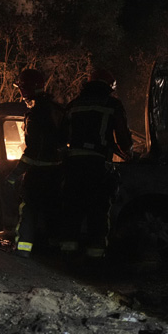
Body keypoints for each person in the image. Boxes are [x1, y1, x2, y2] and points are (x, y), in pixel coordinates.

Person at [59, 68, 133, 261]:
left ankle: (68, 252)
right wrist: (127, 151)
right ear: (109, 86)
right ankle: (95, 255)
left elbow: (62, 137)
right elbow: (123, 138)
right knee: (98, 209)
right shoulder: (112, 104)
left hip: (73, 165)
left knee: (72, 208)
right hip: (98, 165)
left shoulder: (74, 104)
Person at [7, 68, 66, 258]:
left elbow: (33, 151)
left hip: (38, 174)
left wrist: (14, 175)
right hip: (57, 173)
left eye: (21, 88)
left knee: (29, 211)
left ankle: (22, 251)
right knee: (53, 212)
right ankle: (54, 252)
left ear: (25, 88)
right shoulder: (57, 110)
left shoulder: (36, 114)